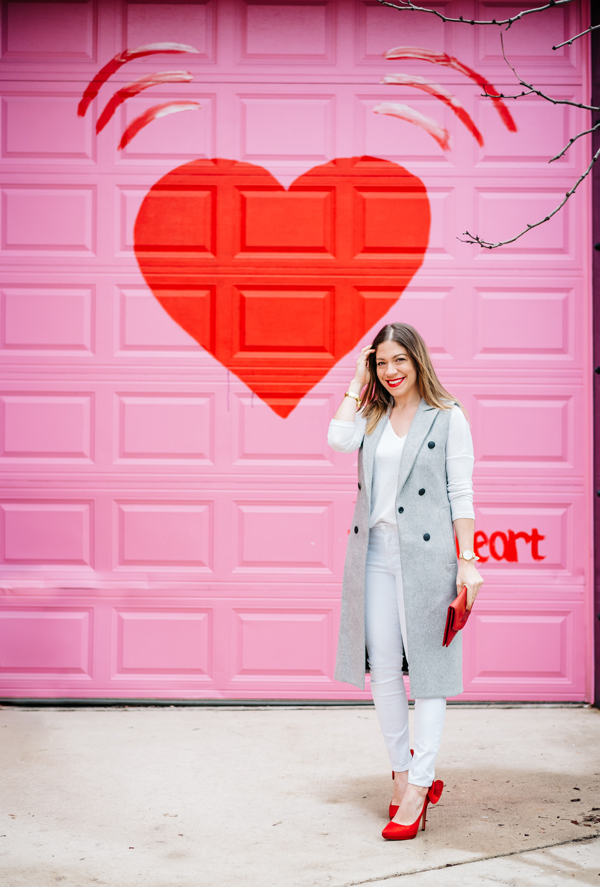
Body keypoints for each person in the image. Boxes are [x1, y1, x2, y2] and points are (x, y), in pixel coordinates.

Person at [327, 322, 483, 841]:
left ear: (418, 362)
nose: (391, 372)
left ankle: (419, 785)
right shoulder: (371, 416)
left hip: (429, 557)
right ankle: (400, 773)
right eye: (381, 363)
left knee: (431, 673)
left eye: (400, 361)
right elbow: (336, 437)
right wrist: (355, 380)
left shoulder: (448, 417)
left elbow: (460, 493)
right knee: (386, 670)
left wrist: (467, 561)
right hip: (373, 552)